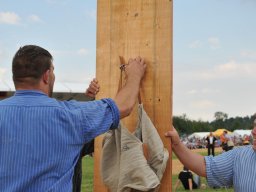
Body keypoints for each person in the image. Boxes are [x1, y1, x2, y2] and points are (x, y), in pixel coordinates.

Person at [0, 45, 146, 191]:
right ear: (46, 75)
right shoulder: (69, 115)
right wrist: (134, 75)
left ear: (15, 77)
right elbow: (123, 106)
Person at [165, 119, 256, 192]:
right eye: (254, 125)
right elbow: (206, 165)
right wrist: (177, 145)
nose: (253, 131)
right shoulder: (240, 155)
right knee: (210, 152)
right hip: (211, 146)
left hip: (221, 145)